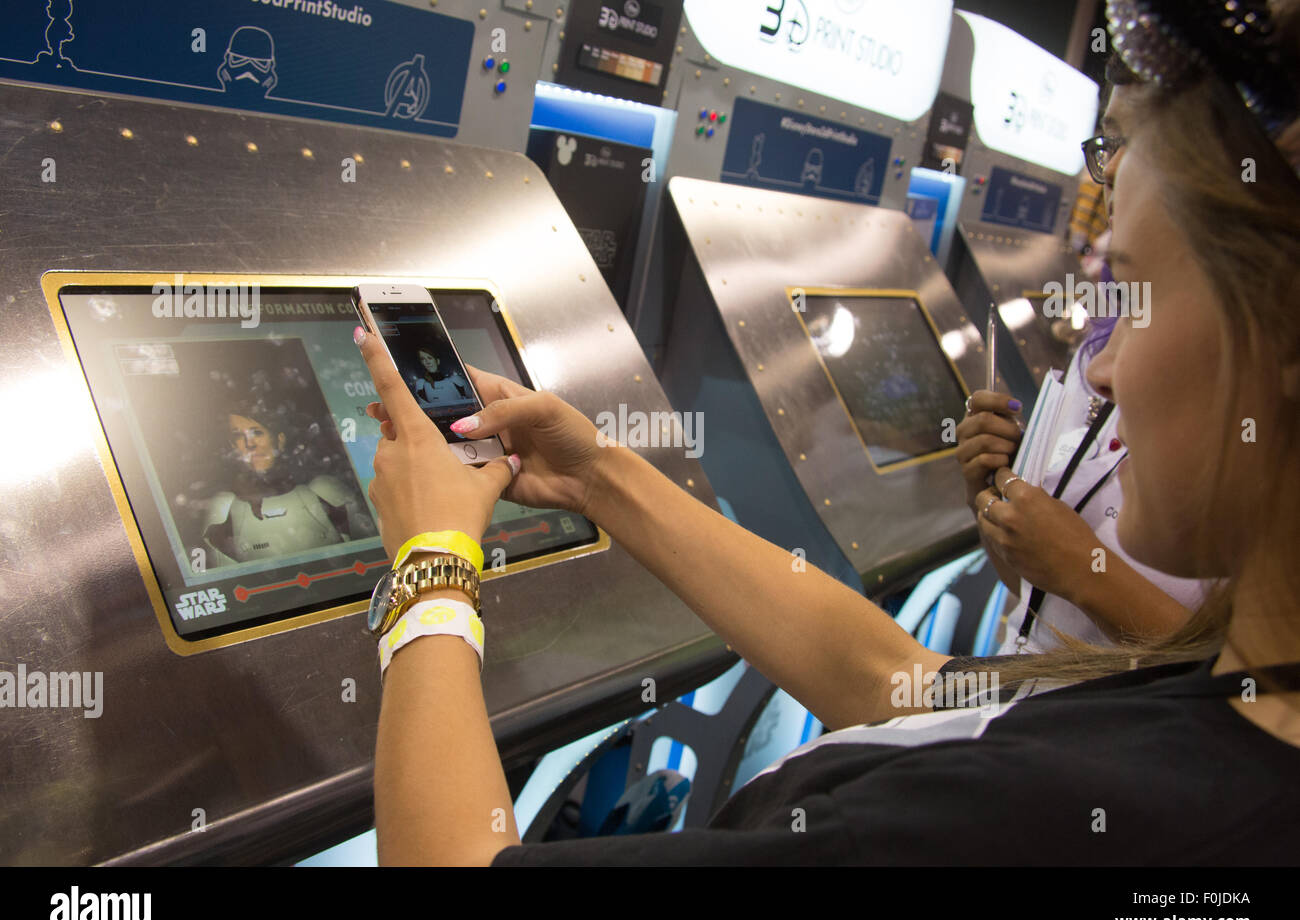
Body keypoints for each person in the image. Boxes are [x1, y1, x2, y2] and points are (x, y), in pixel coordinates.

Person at [356, 0, 1300, 865]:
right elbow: (902, 679)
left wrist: (432, 562)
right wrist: (600, 475)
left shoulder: (1044, 819)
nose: (1100, 367)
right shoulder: (1219, 700)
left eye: (1135, 297)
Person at [955, 58, 1212, 654]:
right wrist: (995, 503)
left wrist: (1084, 568)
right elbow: (1032, 597)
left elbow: (1227, 676)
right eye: (1111, 141)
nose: (1114, 167)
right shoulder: (1101, 342)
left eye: (1144, 139)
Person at [202, 401, 374, 564]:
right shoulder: (224, 508)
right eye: (238, 436)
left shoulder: (324, 491)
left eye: (257, 432)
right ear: (232, 446)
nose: (250, 444)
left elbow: (376, 559)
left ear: (280, 439)